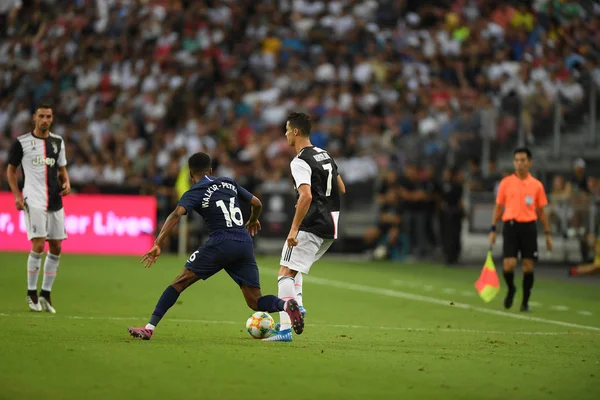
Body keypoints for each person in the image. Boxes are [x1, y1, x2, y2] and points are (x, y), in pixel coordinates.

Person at [127, 152, 303, 340]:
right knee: (255, 301)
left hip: (220, 242)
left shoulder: (195, 190)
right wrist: (252, 220)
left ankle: (149, 327)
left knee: (179, 282)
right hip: (244, 243)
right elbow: (257, 203)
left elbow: (176, 214)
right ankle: (286, 305)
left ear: (190, 174)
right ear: (211, 170)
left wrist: (157, 243)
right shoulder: (228, 182)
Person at [265, 112, 346, 342]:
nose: (286, 134)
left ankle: (284, 329)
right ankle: (297, 305)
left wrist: (293, 230)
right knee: (294, 268)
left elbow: (306, 196)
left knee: (284, 272)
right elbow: (341, 187)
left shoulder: (300, 161)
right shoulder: (325, 154)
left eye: (287, 130)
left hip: (311, 224)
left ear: (296, 132)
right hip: (331, 226)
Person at [6, 103, 71, 314]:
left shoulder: (57, 142)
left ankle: (46, 294)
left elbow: (61, 168)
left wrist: (67, 182)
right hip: (33, 198)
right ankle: (31, 292)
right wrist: (17, 195)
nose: (45, 119)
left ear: (52, 118)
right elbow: (10, 170)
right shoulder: (22, 142)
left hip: (55, 199)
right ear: (34, 117)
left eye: (48, 116)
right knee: (38, 243)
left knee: (56, 247)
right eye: (41, 116)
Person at [489, 148, 552, 312]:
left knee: (528, 265)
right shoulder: (506, 183)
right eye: (517, 160)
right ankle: (511, 289)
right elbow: (498, 207)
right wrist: (493, 229)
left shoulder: (537, 185)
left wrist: (547, 234)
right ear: (513, 162)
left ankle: (525, 302)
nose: (520, 163)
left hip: (529, 227)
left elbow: (542, 212)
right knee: (508, 264)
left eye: (523, 160)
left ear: (529, 163)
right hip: (510, 226)